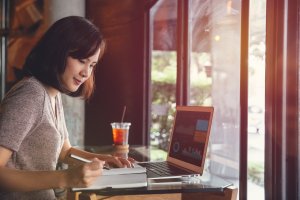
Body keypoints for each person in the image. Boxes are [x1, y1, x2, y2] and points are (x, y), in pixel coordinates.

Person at [0, 16, 133, 199]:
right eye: (81, 60)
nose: (86, 73)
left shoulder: (52, 95)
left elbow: (65, 151)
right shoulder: (30, 95)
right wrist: (66, 177)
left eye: (92, 65)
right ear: (57, 52)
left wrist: (105, 160)